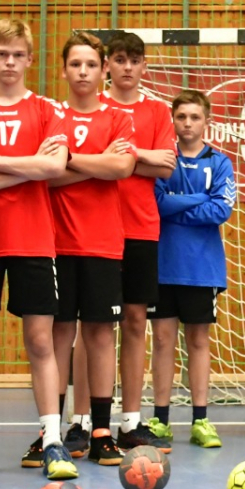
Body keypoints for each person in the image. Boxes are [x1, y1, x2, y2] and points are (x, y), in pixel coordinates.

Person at [0, 19, 74, 480]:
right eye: (1, 54)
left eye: (18, 55)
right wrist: (27, 168)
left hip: (33, 239)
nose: (9, 63)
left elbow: (55, 166)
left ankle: (52, 440)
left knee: (40, 341)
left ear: (30, 59)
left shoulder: (47, 110)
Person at [49, 33, 135, 467]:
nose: (83, 72)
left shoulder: (118, 118)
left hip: (102, 242)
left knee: (100, 334)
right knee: (58, 336)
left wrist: (72, 160)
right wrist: (94, 161)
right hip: (55, 242)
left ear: (103, 71)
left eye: (90, 64)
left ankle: (101, 430)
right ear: (63, 69)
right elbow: (45, 175)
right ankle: (53, 431)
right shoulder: (51, 115)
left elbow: (121, 167)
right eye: (75, 64)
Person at [100, 33, 177, 450]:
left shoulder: (157, 111)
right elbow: (92, 160)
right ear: (107, 65)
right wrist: (140, 157)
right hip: (94, 229)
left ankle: (130, 422)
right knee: (91, 327)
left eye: (135, 60)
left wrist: (125, 154)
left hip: (142, 229)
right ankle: (83, 421)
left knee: (134, 323)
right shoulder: (95, 107)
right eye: (119, 59)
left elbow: (165, 167)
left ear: (144, 67)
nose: (127, 67)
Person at [152, 90, 236, 449]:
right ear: (173, 120)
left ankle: (201, 419)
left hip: (202, 269)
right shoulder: (162, 160)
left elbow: (221, 209)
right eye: (181, 116)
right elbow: (154, 203)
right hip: (162, 264)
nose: (187, 123)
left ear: (207, 121)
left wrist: (177, 207)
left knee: (199, 341)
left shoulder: (219, 162)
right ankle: (160, 420)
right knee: (162, 342)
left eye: (195, 117)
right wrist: (198, 200)